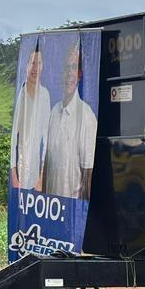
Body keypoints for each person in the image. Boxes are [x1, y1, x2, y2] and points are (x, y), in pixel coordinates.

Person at [42, 42, 98, 199]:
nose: (69, 74)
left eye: (73, 68)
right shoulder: (53, 112)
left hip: (71, 211)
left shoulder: (86, 117)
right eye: (66, 68)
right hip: (51, 210)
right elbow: (47, 162)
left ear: (79, 75)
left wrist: (80, 216)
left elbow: (88, 174)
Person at [10, 42, 51, 191]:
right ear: (27, 66)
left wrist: (41, 176)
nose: (35, 67)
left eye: (38, 63)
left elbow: (46, 136)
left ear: (42, 66)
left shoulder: (45, 95)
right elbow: (15, 135)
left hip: (36, 173)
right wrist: (14, 175)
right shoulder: (22, 94)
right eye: (32, 63)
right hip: (20, 171)